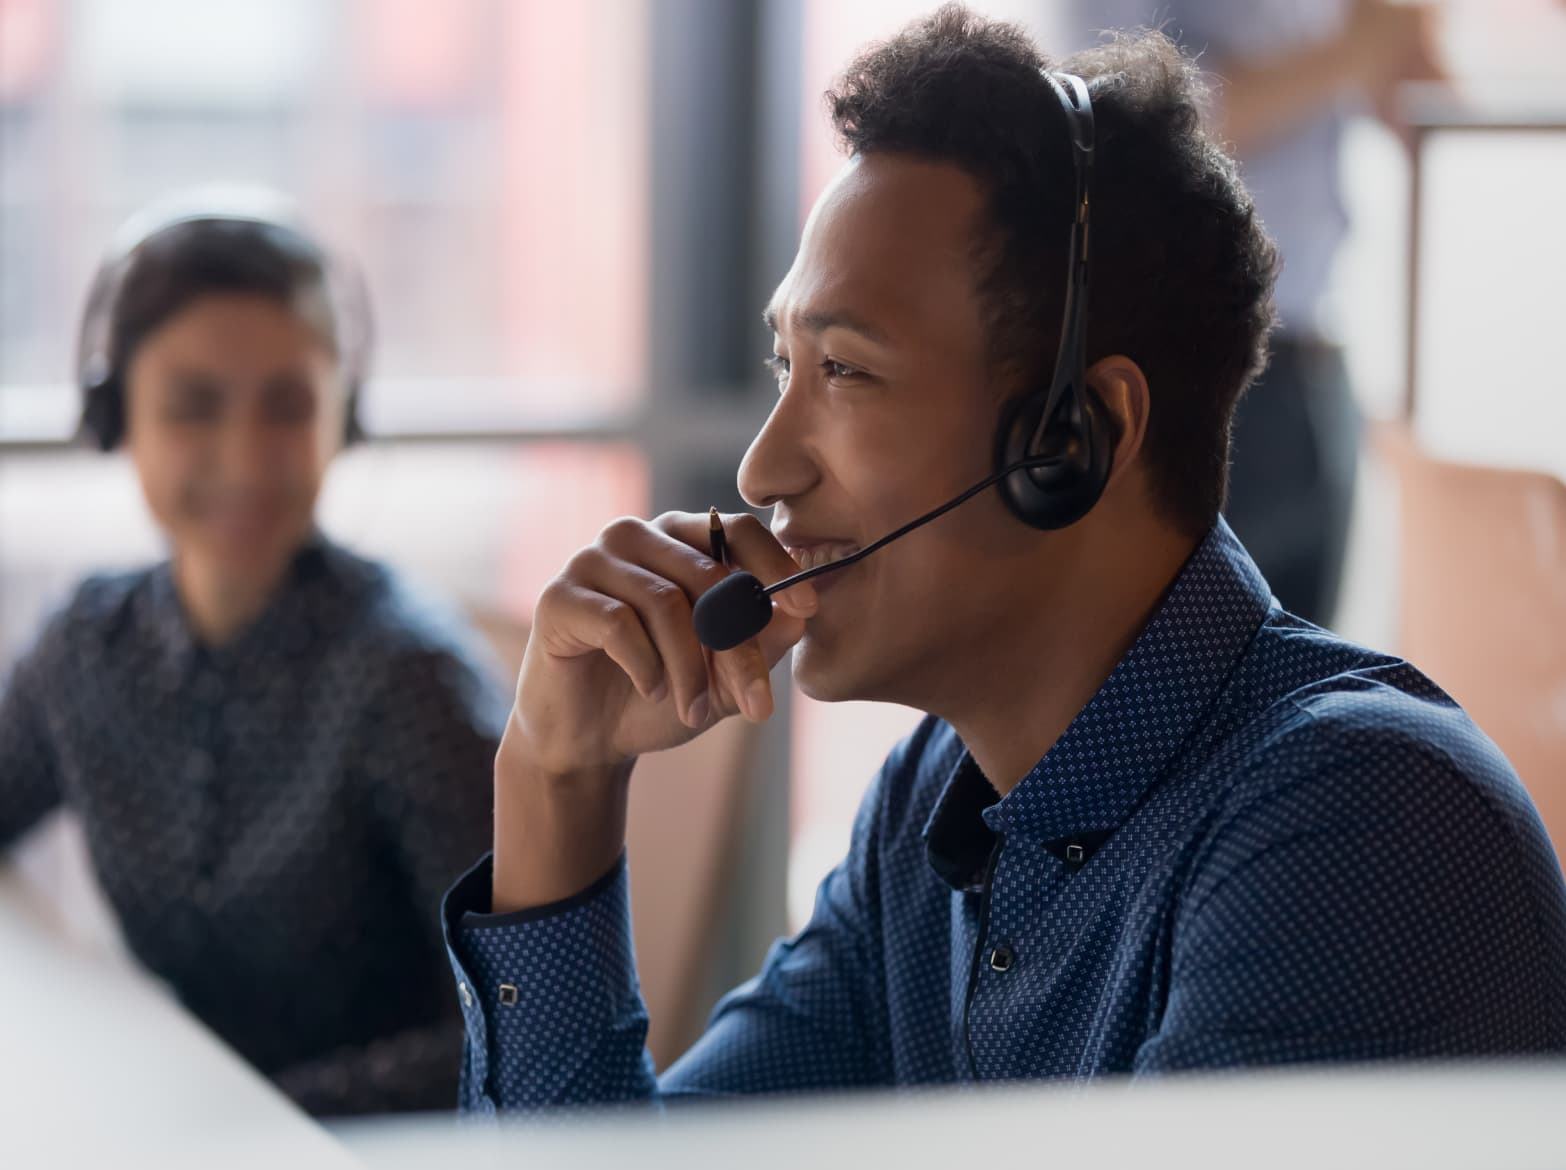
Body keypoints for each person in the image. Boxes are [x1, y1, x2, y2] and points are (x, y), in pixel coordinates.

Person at [441, 7, 1566, 1114]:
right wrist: (555, 779)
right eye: (786, 367)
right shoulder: (938, 808)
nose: (763, 469)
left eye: (846, 372)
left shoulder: (1355, 830)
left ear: (1074, 440)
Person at [0, 194, 507, 1116]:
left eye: (288, 404)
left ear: (340, 417)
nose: (245, 456)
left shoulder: (407, 679)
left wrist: (243, 1114)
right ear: (118, 418)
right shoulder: (84, 650)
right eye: (195, 406)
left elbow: (512, 1032)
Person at [1062, 0, 1446, 627]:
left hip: (1317, 364)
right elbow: (1118, 118)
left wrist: (1398, 37)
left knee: (1306, 681)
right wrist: (1350, 51)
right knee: (1173, 671)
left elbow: (1426, 109)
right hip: (1187, 368)